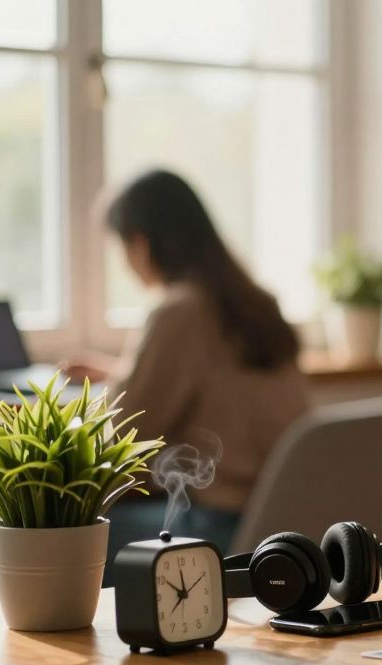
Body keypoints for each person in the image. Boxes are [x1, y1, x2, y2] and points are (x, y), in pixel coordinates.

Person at [64, 169, 310, 570]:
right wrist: (118, 373)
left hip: (217, 532)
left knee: (38, 532)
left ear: (140, 243)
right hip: (279, 527)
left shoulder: (179, 311)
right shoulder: (253, 304)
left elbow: (122, 442)